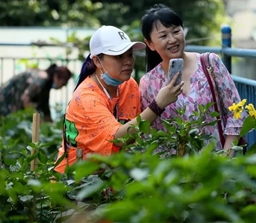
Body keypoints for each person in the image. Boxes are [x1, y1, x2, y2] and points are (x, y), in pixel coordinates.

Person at [54, 25, 184, 174]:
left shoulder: (129, 86)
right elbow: (117, 139)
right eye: (118, 56)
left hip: (108, 180)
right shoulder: (85, 98)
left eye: (130, 54)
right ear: (97, 61)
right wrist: (158, 105)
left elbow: (136, 131)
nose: (128, 61)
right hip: (74, 184)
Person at [139, 4, 245, 154]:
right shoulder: (148, 83)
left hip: (219, 167)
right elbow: (149, 135)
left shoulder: (210, 62)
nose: (172, 39)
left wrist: (226, 159)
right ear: (150, 44)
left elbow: (236, 112)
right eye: (163, 36)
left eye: (176, 31)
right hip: (177, 173)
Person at [0, 64, 72, 125]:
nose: (62, 87)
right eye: (63, 83)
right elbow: (25, 100)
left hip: (4, 103)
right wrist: (38, 120)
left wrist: (50, 126)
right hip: (0, 104)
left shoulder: (45, 83)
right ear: (57, 77)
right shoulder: (41, 80)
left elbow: (45, 108)